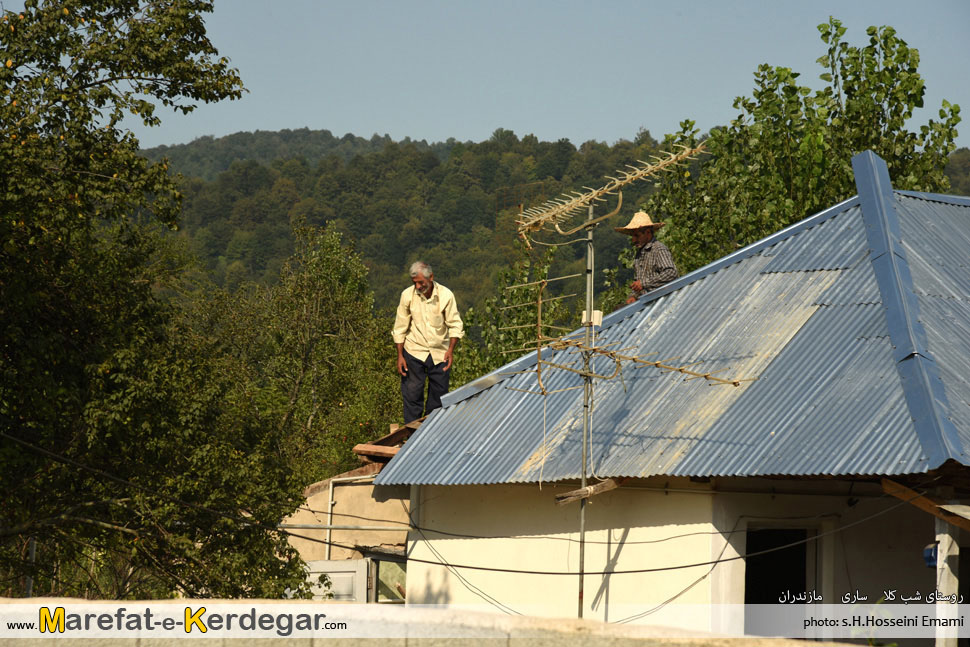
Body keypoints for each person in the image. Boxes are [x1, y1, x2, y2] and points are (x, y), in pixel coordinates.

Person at [392, 261, 464, 423]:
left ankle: (431, 434)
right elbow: (400, 327)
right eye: (415, 283)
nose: (418, 286)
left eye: (421, 282)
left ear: (431, 277)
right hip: (414, 351)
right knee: (412, 396)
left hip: (440, 353)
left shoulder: (445, 295)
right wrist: (400, 356)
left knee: (438, 400)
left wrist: (450, 351)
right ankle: (411, 437)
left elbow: (455, 325)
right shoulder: (407, 296)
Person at [615, 210, 678, 304]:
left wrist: (644, 283)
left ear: (648, 232)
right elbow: (639, 281)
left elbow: (671, 273)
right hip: (647, 303)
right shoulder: (639, 254)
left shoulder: (658, 249)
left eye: (637, 235)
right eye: (632, 236)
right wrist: (633, 296)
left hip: (663, 302)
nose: (633, 240)